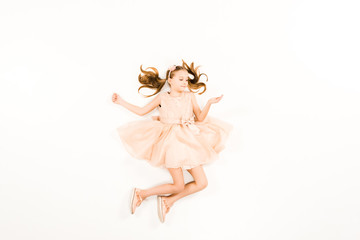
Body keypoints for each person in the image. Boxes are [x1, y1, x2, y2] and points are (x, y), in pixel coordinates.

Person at [112, 60, 233, 223]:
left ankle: (167, 201)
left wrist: (210, 103)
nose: (184, 82)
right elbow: (142, 112)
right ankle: (142, 193)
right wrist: (121, 101)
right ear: (170, 80)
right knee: (178, 185)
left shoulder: (190, 96)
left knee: (202, 183)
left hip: (189, 141)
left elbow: (200, 118)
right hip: (172, 142)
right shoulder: (162, 97)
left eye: (186, 79)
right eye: (180, 79)